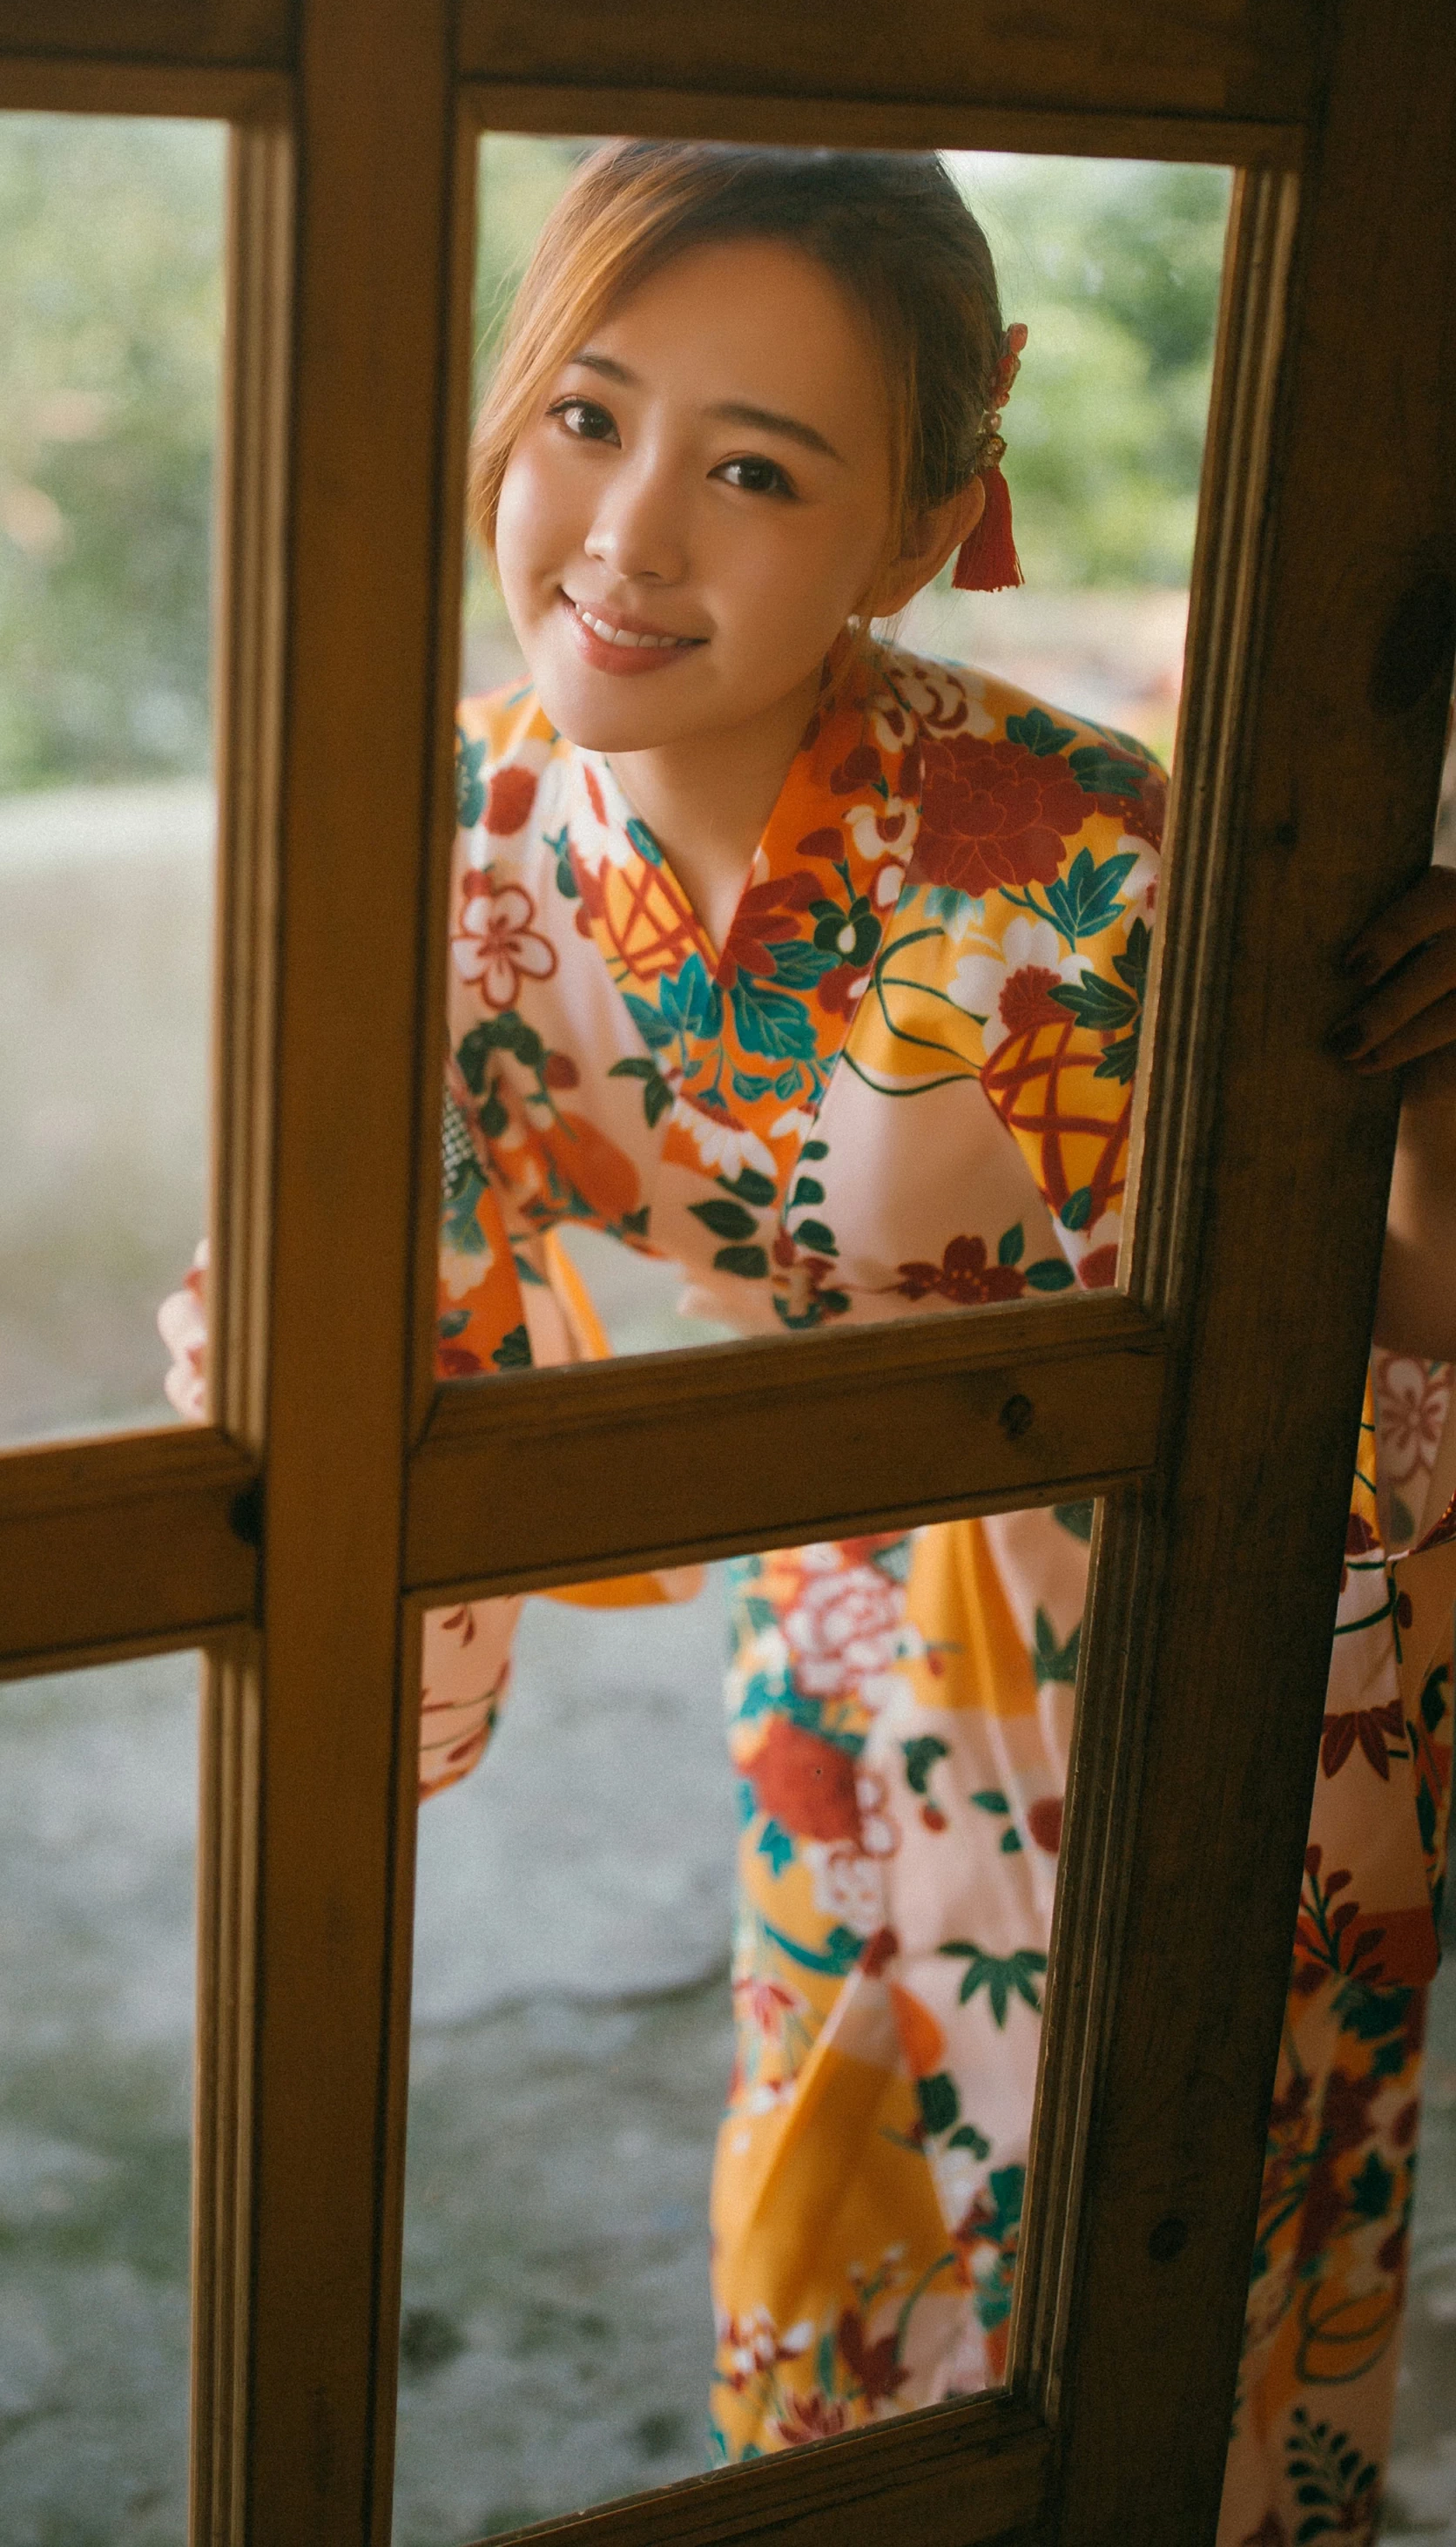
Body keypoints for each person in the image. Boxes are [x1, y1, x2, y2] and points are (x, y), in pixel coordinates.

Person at [161, 141, 1456, 2544]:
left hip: (1217, 1642)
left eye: (755, 467)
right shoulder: (454, 824)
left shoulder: (1073, 854)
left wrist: (1447, 1091)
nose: (630, 533)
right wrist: (267, 1345)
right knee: (843, 2248)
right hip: (840, 1609)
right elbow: (413, 1266)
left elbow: (1393, 1345)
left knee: (1162, 2312)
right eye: (586, 413)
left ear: (918, 530)